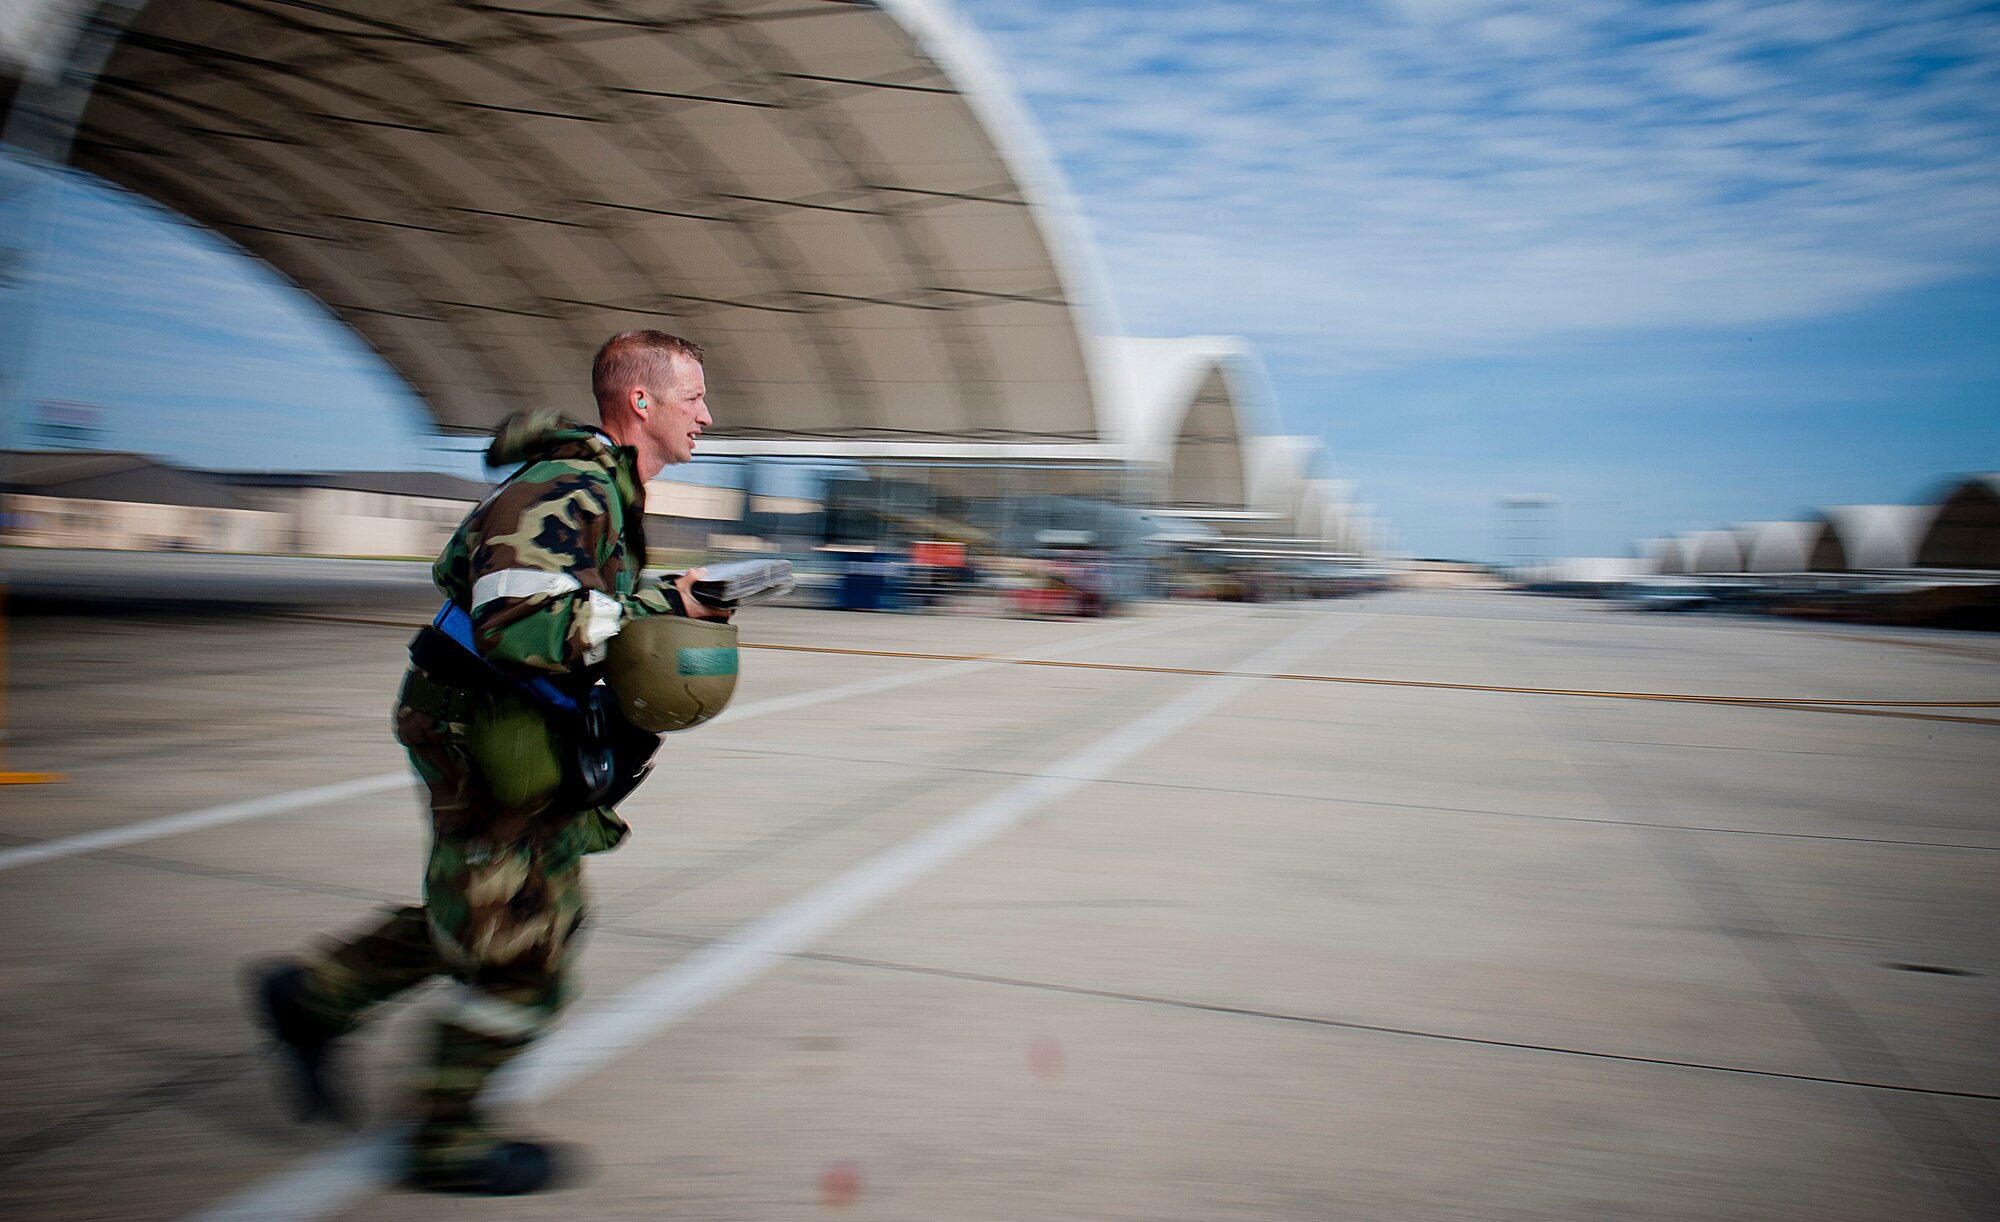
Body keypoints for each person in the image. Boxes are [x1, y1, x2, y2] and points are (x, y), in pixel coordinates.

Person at [252, 330, 728, 1194]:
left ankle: (318, 996)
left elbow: (581, 597)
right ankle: (444, 1136)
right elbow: (518, 622)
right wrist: (645, 633)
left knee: (505, 916)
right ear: (642, 403)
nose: (707, 414)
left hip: (495, 731)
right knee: (521, 958)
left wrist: (675, 597)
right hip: (478, 735)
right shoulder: (569, 487)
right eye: (693, 396)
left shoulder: (601, 492)